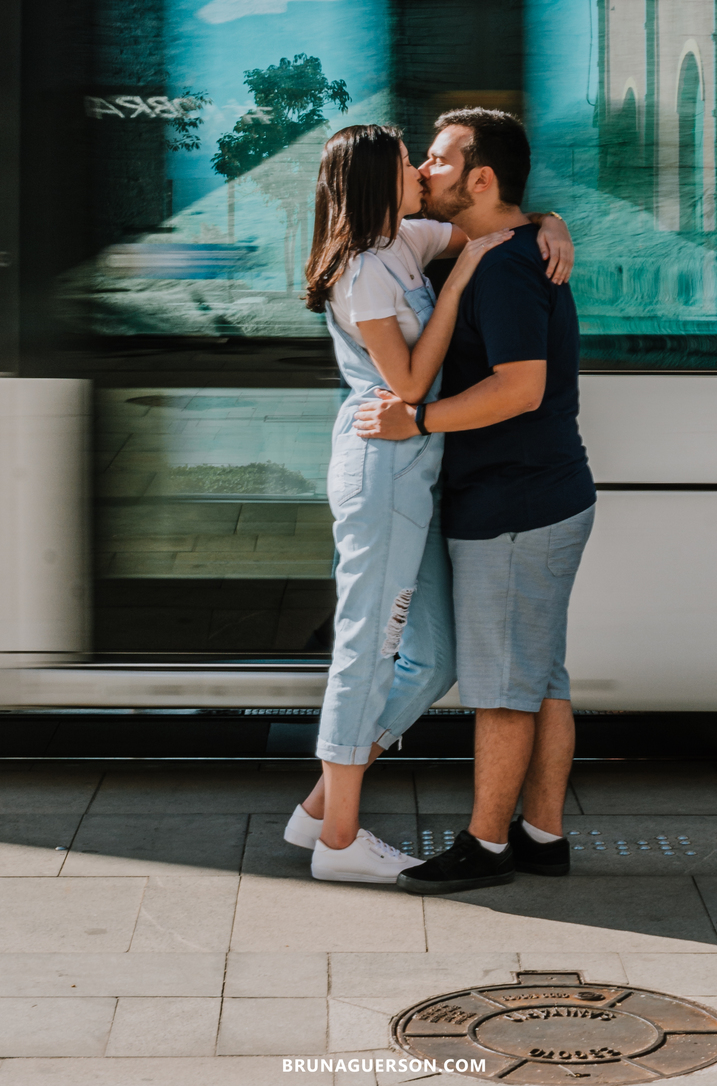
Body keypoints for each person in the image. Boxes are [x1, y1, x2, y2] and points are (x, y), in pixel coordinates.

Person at [284, 123, 574, 884]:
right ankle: (339, 841)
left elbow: (497, 217)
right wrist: (469, 268)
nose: (422, 167)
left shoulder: (406, 239)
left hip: (420, 470)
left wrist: (548, 223)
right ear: (382, 179)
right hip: (384, 464)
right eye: (410, 161)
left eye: (432, 157)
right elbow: (408, 386)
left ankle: (317, 806)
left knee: (433, 656)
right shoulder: (364, 271)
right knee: (367, 648)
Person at [353, 108, 595, 896]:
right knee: (539, 676)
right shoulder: (507, 250)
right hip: (537, 496)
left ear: (480, 179)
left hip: (516, 507)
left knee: (500, 688)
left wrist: (415, 417)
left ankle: (487, 846)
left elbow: (519, 388)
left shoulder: (506, 267)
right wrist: (549, 220)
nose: (423, 171)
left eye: (436, 158)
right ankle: (542, 835)